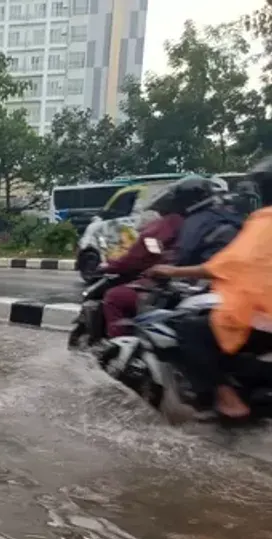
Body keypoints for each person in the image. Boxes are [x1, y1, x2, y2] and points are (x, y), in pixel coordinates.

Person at [145, 156, 272, 420]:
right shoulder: (234, 217)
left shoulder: (264, 222)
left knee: (190, 328)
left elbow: (231, 263)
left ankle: (227, 397)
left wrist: (173, 271)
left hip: (261, 316)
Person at [99, 178, 218, 337]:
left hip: (175, 284)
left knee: (114, 297)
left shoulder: (171, 223)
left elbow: (138, 257)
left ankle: (118, 346)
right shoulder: (216, 219)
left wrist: (110, 265)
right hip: (206, 285)